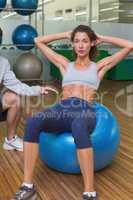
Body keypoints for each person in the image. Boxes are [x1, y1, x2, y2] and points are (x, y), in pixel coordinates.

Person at [12, 25, 133, 200]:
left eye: (85, 41)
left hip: (85, 110)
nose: (81, 45)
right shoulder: (64, 65)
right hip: (62, 109)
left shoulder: (99, 67)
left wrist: (101, 37)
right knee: (33, 122)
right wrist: (65, 34)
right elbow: (37, 41)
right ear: (73, 44)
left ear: (92, 43)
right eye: (76, 41)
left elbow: (129, 45)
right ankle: (27, 186)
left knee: (78, 124)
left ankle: (89, 192)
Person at [0, 55, 57, 152]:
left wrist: (38, 89)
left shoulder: (3, 62)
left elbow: (16, 85)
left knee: (15, 99)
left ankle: (10, 141)